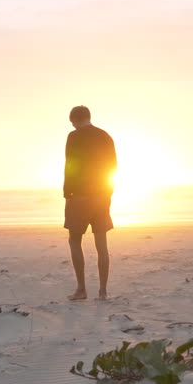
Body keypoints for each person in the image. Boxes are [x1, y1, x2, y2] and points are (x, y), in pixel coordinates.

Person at [63, 105, 117, 300]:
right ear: (88, 117)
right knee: (101, 244)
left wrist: (66, 192)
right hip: (102, 196)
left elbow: (70, 164)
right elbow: (113, 166)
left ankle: (81, 289)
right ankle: (102, 292)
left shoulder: (74, 136)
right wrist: (108, 191)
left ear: (75, 120)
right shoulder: (105, 136)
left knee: (75, 240)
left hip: (79, 195)